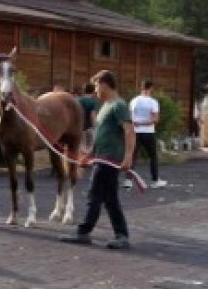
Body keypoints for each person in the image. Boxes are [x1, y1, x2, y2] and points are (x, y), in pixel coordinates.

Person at [62, 70, 133, 249]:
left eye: (96, 86)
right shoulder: (105, 107)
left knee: (95, 195)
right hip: (101, 157)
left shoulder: (119, 105)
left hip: (110, 159)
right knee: (110, 199)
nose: (95, 90)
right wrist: (88, 156)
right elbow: (101, 135)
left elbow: (129, 131)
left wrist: (128, 157)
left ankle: (84, 232)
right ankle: (121, 234)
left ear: (104, 84)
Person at [128, 79, 166, 189]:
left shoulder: (134, 100)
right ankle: (155, 180)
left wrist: (136, 123)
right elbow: (156, 119)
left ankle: (128, 180)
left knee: (133, 156)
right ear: (151, 88)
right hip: (148, 132)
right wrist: (143, 122)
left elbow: (130, 118)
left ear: (141, 88)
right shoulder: (153, 102)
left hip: (136, 131)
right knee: (153, 156)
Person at [77, 82, 99, 151]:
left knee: (81, 148)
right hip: (89, 128)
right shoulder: (91, 102)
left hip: (79, 128)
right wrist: (96, 127)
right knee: (90, 148)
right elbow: (92, 116)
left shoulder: (77, 100)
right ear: (93, 91)